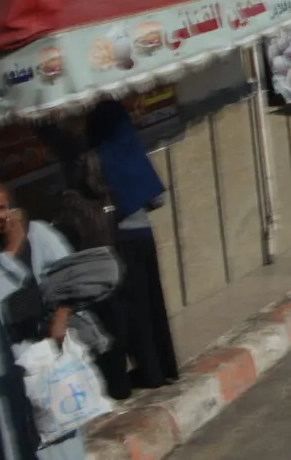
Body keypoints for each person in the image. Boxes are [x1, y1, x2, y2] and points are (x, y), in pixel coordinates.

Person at [0, 178, 85, 460]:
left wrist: (62, 315)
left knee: (59, 440)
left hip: (47, 359)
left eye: (0, 208)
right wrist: (10, 252)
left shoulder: (39, 235)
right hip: (0, 366)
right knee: (12, 440)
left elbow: (73, 279)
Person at [82, 102, 176, 400]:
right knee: (151, 305)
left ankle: (138, 375)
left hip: (115, 242)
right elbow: (158, 199)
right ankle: (160, 369)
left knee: (126, 312)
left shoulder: (94, 159)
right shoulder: (132, 148)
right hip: (143, 236)